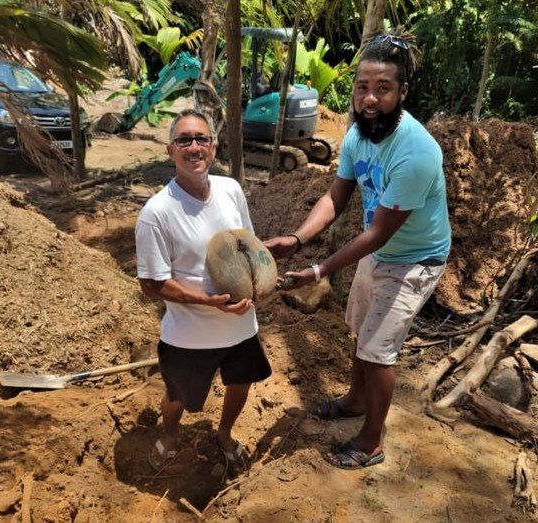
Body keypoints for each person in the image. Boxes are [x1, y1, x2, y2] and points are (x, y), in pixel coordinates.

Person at [265, 33, 451, 470]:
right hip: (378, 249)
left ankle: (371, 442)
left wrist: (319, 269)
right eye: (362, 87)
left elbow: (382, 232)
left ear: (402, 92)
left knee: (378, 351)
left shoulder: (417, 152)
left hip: (414, 259)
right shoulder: (358, 136)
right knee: (361, 332)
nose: (370, 98)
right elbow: (336, 197)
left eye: (383, 88)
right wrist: (297, 238)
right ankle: (354, 400)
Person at [135, 109, 272, 474]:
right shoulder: (157, 213)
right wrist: (206, 301)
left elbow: (247, 245)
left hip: (242, 326)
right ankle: (170, 435)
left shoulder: (231, 190)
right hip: (189, 336)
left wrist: (262, 283)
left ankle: (224, 435)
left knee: (240, 384)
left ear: (213, 147)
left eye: (202, 139)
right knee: (179, 396)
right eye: (184, 140)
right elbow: (151, 284)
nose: (194, 147)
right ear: (170, 150)